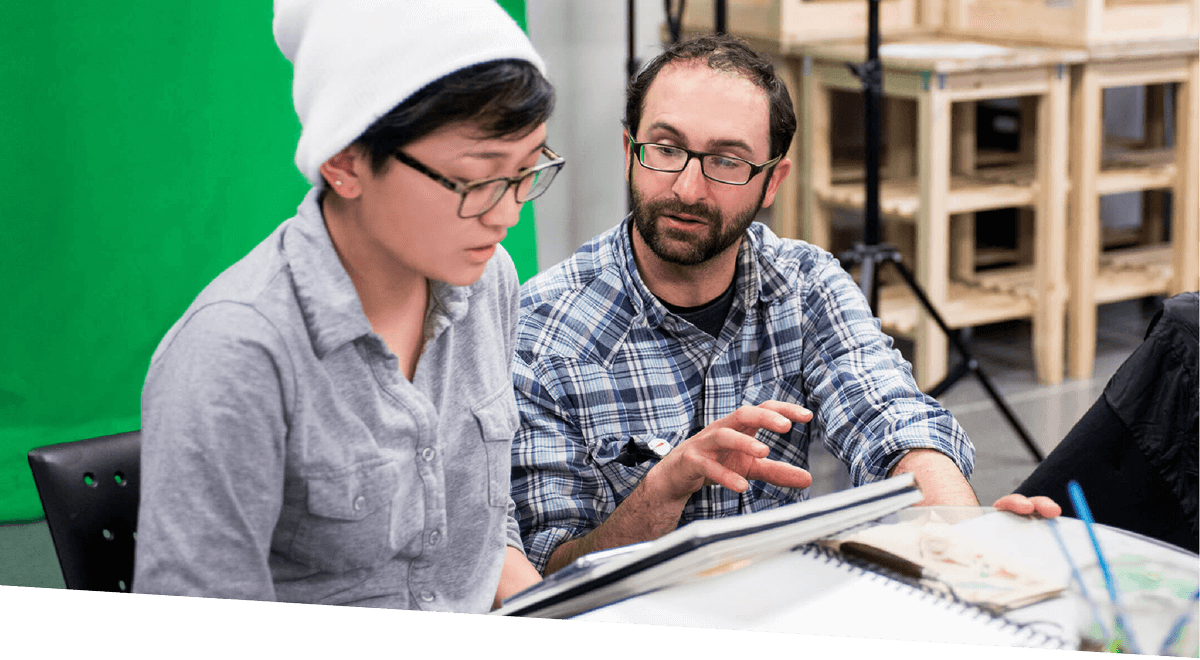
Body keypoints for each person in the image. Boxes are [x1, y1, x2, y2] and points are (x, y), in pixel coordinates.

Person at [511, 33, 1055, 577]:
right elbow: (546, 571)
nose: (688, 187)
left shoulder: (804, 283)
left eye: (727, 161)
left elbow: (893, 423)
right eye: (667, 149)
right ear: (630, 149)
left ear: (772, 181)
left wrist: (969, 542)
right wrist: (660, 492)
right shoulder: (543, 330)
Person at [133, 0, 560, 612]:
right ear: (344, 163)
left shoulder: (488, 278)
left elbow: (488, 538)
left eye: (527, 171)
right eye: (477, 180)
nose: (508, 213)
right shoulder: (237, 350)